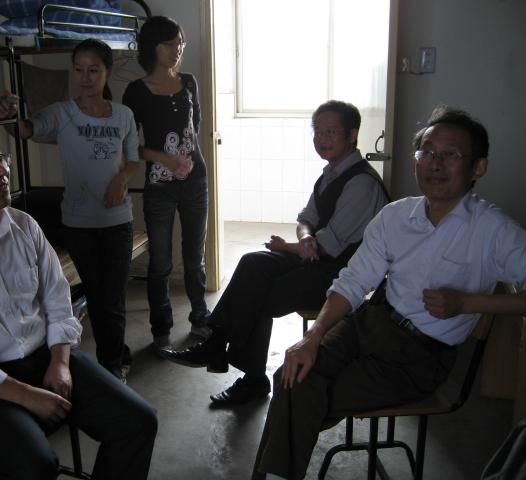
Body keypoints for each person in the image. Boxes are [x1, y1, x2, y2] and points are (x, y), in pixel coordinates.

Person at [252, 106, 526, 480]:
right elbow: (353, 281)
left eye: (450, 154)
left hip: (419, 356)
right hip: (368, 323)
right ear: (415, 162)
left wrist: (469, 302)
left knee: (300, 390)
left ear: (478, 167)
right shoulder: (396, 216)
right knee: (294, 370)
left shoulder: (494, 231)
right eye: (426, 152)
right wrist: (313, 336)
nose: (435, 163)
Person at [0, 121, 157, 480]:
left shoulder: (23, 225)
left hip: (47, 358)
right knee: (35, 466)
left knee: (138, 421)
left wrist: (60, 362)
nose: (1, 171)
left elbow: (57, 299)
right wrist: (26, 395)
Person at [160, 100, 390, 405]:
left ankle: (247, 375)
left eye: (331, 131)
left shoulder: (362, 184)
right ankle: (218, 348)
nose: (322, 138)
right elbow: (306, 219)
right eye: (317, 131)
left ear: (352, 135)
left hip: (341, 278)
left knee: (259, 294)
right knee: (252, 263)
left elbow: (327, 246)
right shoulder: (331, 174)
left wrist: (289, 246)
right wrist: (304, 238)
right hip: (317, 263)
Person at [0, 38, 139, 382]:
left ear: (108, 72)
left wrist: (120, 179)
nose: (85, 77)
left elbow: (133, 159)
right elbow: (26, 129)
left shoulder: (124, 115)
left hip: (118, 221)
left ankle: (112, 367)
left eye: (93, 70)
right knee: (100, 297)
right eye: (78, 70)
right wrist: (10, 117)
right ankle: (116, 359)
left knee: (112, 298)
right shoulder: (62, 113)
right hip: (78, 224)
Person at [122, 15, 210, 353]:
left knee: (195, 259)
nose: (177, 50)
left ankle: (201, 318)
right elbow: (129, 146)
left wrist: (184, 159)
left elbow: (194, 126)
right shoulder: (135, 91)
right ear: (152, 46)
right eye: (169, 44)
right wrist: (165, 158)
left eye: (180, 44)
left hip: (196, 183)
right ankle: (161, 330)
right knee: (160, 263)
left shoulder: (188, 82)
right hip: (159, 187)